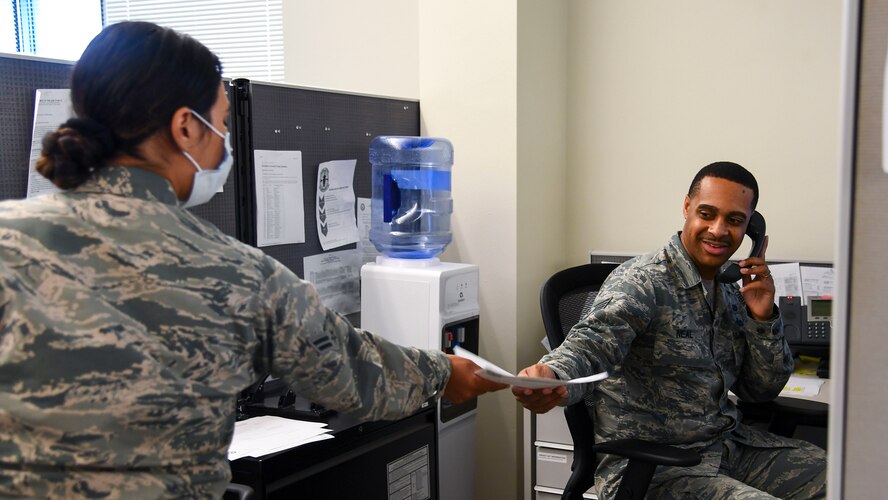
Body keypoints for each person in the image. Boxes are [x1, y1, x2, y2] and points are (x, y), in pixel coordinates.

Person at [0, 21, 505, 498]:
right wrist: (445, 372)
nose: (224, 143)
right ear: (184, 128)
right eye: (221, 123)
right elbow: (355, 373)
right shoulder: (235, 273)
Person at [514, 162, 826, 499]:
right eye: (707, 213)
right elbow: (593, 342)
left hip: (725, 449)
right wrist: (554, 374)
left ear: (751, 228)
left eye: (734, 220)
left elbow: (760, 390)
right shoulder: (643, 281)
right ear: (687, 207)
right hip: (655, 470)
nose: (719, 230)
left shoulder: (731, 292)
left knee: (847, 475)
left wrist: (762, 316)